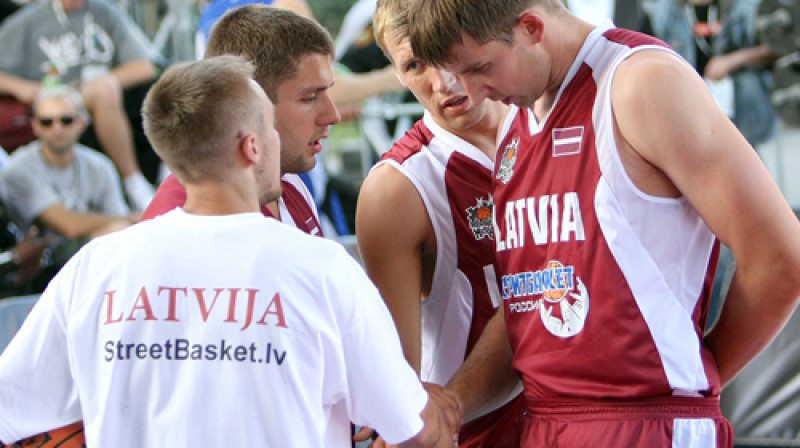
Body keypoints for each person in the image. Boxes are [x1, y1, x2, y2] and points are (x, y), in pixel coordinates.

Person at [0, 54, 457, 447]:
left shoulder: (96, 268)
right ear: (252, 146)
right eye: (271, 129)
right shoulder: (321, 269)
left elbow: (11, 406)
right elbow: (411, 425)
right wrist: (449, 407)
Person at [404, 0, 800, 446]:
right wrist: (452, 403)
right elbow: (528, 301)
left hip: (647, 422)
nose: (472, 93)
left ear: (531, 27)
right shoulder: (516, 118)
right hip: (546, 421)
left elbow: (781, 257)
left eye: (480, 68)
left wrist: (700, 375)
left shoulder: (640, 82)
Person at [355, 0, 525, 446]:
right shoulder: (397, 188)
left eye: (450, 51)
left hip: (578, 415)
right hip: (475, 429)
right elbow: (401, 385)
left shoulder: (545, 123)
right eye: (414, 64)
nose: (443, 81)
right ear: (394, 71)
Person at [141, 4, 339, 237]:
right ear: (252, 99)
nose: (332, 116)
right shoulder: (191, 223)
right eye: (310, 98)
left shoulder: (288, 180)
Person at [0, 0, 160, 212]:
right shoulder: (25, 21)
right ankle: (134, 182)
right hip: (51, 95)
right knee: (104, 91)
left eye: (66, 122)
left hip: (100, 100)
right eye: (48, 125)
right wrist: (24, 88)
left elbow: (145, 66)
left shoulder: (105, 12)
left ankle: (162, 174)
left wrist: (99, 84)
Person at [0, 85, 138, 289]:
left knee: (115, 232)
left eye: (66, 120)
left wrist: (126, 221)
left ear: (82, 123)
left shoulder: (100, 165)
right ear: (35, 126)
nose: (57, 129)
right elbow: (68, 225)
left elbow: (121, 230)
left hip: (91, 261)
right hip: (40, 266)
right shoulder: (20, 168)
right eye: (47, 122)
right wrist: (136, 217)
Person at [641, 0, 777, 146]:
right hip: (685, 114)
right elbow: (641, 59)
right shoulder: (659, 13)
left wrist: (734, 60)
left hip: (742, 113)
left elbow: (776, 47)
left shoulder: (747, 6)